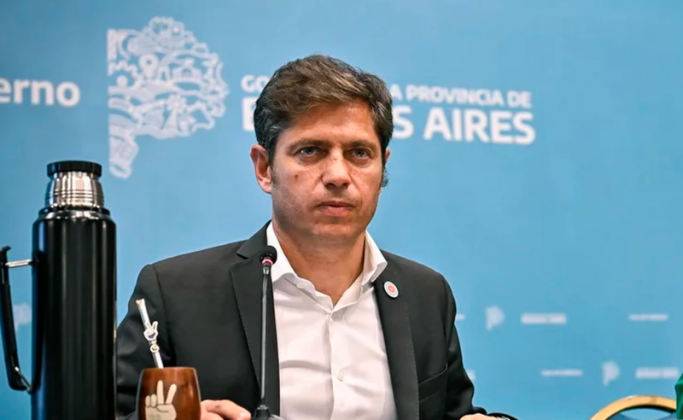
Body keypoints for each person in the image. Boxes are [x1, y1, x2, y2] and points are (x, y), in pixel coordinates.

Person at [116, 54, 516, 420]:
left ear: (383, 167)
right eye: (310, 151)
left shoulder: (425, 294)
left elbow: (455, 414)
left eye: (359, 153)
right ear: (264, 168)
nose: (338, 175)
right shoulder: (175, 293)